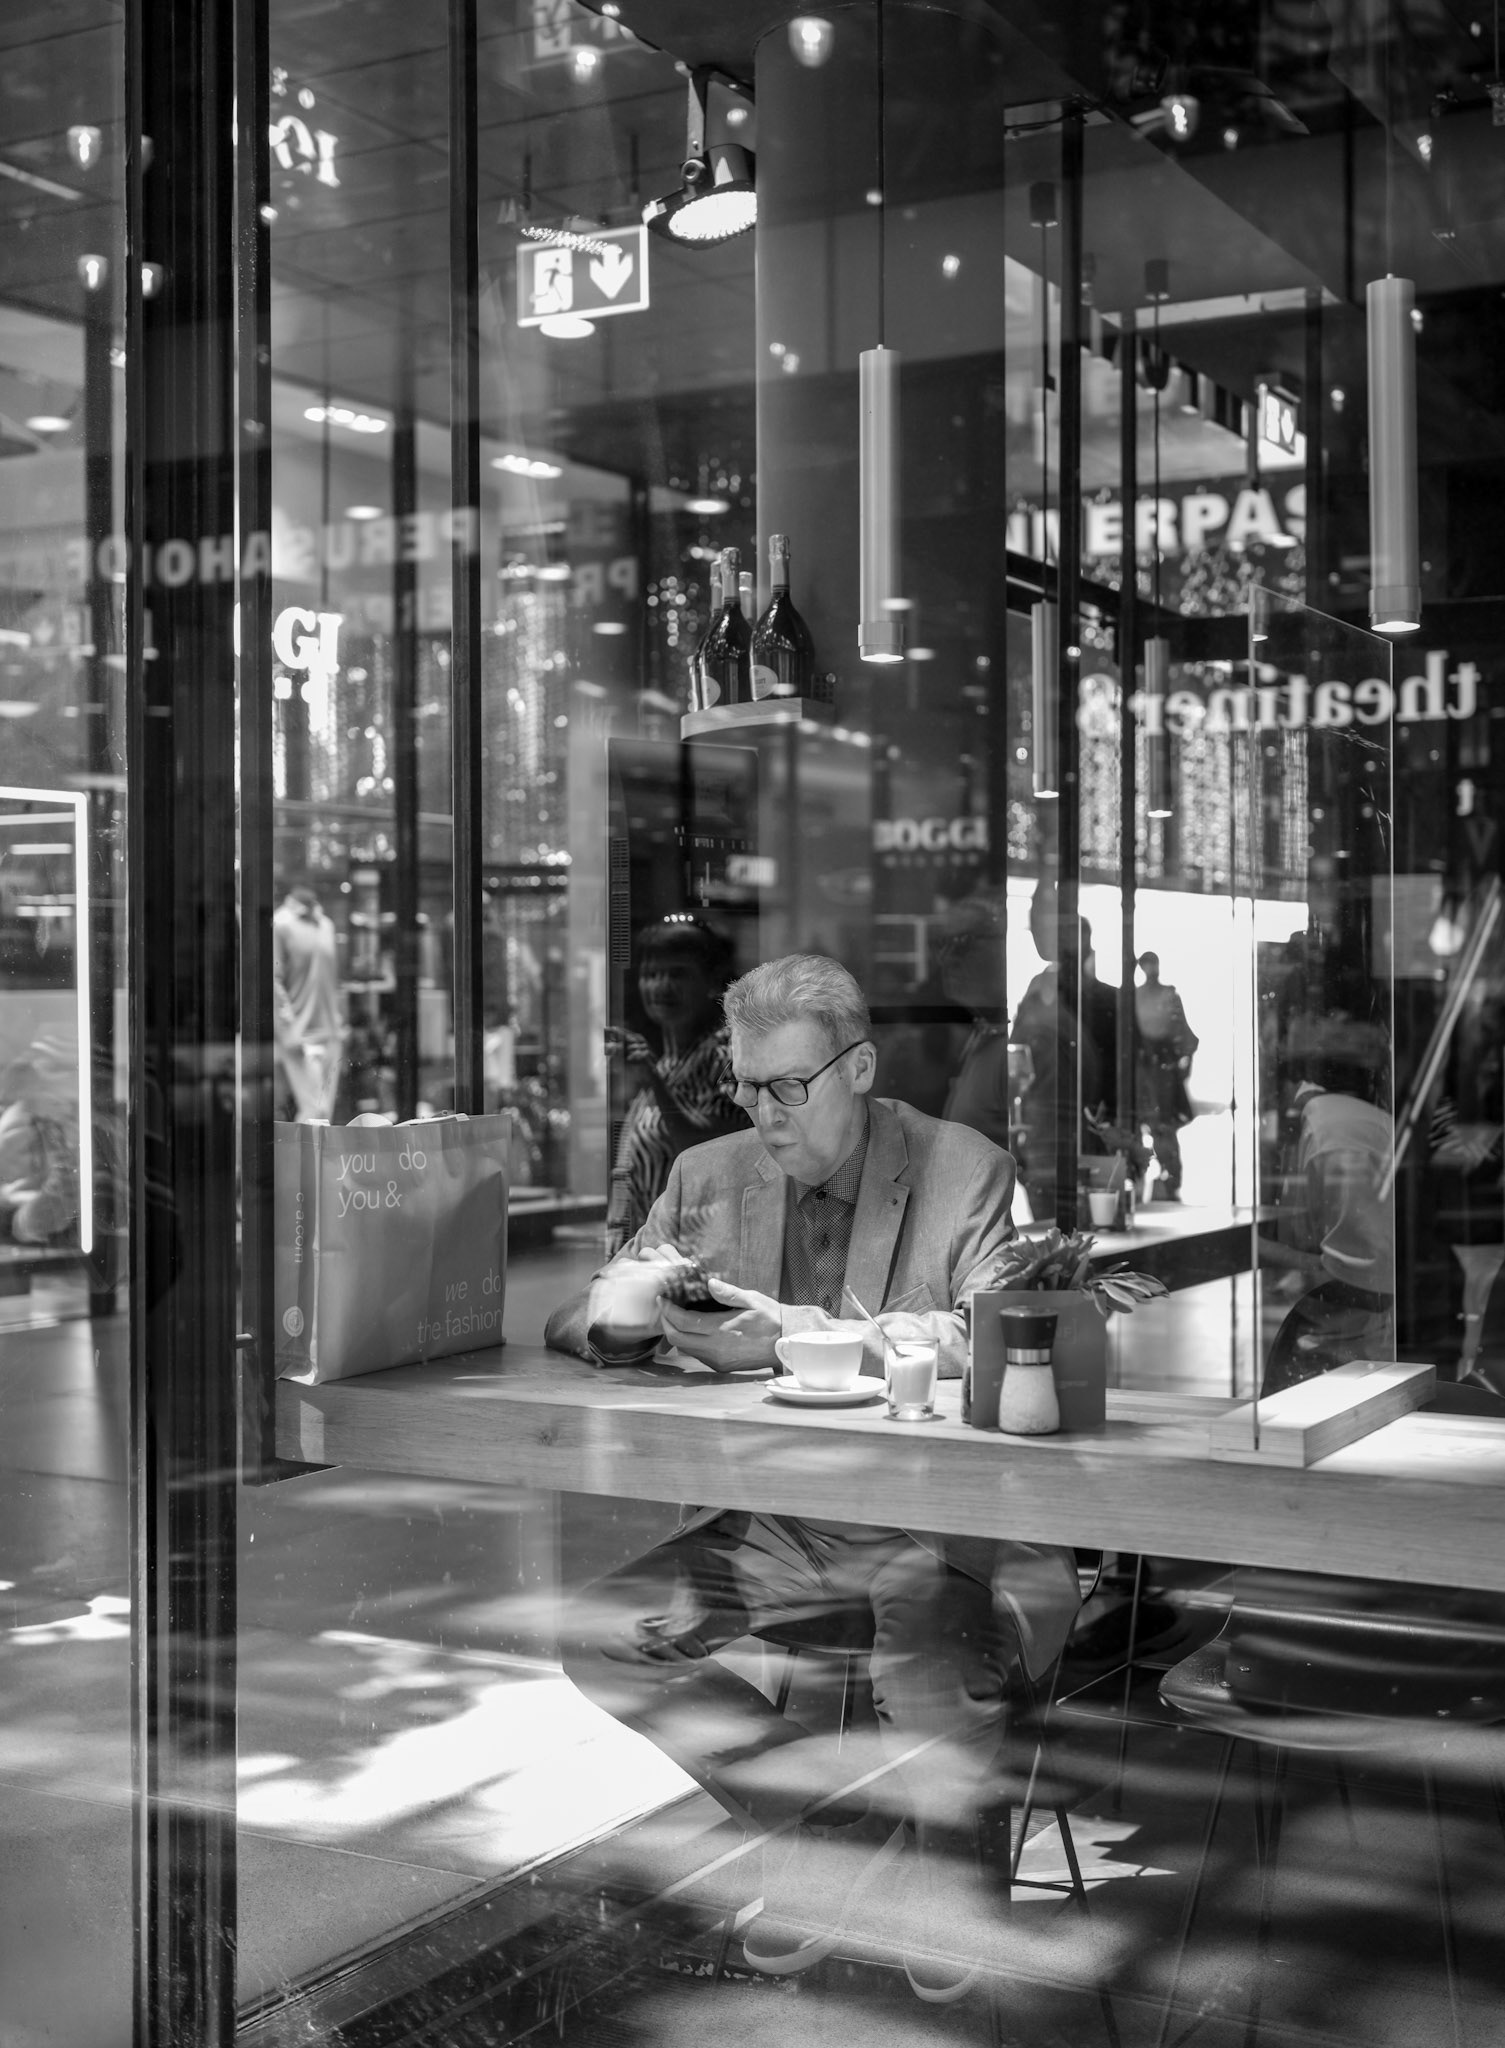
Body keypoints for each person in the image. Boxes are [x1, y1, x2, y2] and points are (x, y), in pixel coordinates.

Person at [547, 955, 1079, 1999]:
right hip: (773, 1527)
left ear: (859, 1067)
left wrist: (789, 1333)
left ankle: (939, 1862)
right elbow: (581, 1312)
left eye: (785, 1085)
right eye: (746, 1083)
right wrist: (621, 1313)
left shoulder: (960, 1166)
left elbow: (993, 1334)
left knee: (928, 1645)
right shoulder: (709, 1176)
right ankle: (825, 1831)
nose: (761, 1110)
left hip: (937, 1528)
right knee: (602, 1630)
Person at [1260, 1019, 1395, 1397]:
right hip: (1379, 1299)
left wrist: (1254, 1249)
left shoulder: (1319, 1126)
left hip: (1350, 1300)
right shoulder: (1375, 1120)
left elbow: (1305, 1240)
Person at [604, 914, 741, 1254]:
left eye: (677, 973)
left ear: (711, 981)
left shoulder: (727, 1053)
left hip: (698, 1253)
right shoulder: (666, 1061)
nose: (661, 986)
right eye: (652, 974)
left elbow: (714, 1152)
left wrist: (652, 1078)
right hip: (657, 1249)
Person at [272, 880, 347, 1122]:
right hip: (300, 1036)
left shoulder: (326, 925)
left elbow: (332, 977)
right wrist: (287, 1029)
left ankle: (314, 1161)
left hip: (331, 1034)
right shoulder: (280, 923)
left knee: (325, 1115)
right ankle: (299, 1161)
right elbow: (273, 980)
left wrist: (339, 1021)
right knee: (315, 1112)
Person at [1134, 951, 1199, 1202]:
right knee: (1146, 1124)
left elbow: (1184, 1035)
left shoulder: (1169, 995)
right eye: (1147, 965)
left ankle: (1171, 1175)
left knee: (1164, 1127)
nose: (1152, 969)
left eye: (1154, 964)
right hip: (1144, 1070)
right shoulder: (1136, 996)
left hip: (1163, 1070)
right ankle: (1143, 1174)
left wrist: (1183, 1065)